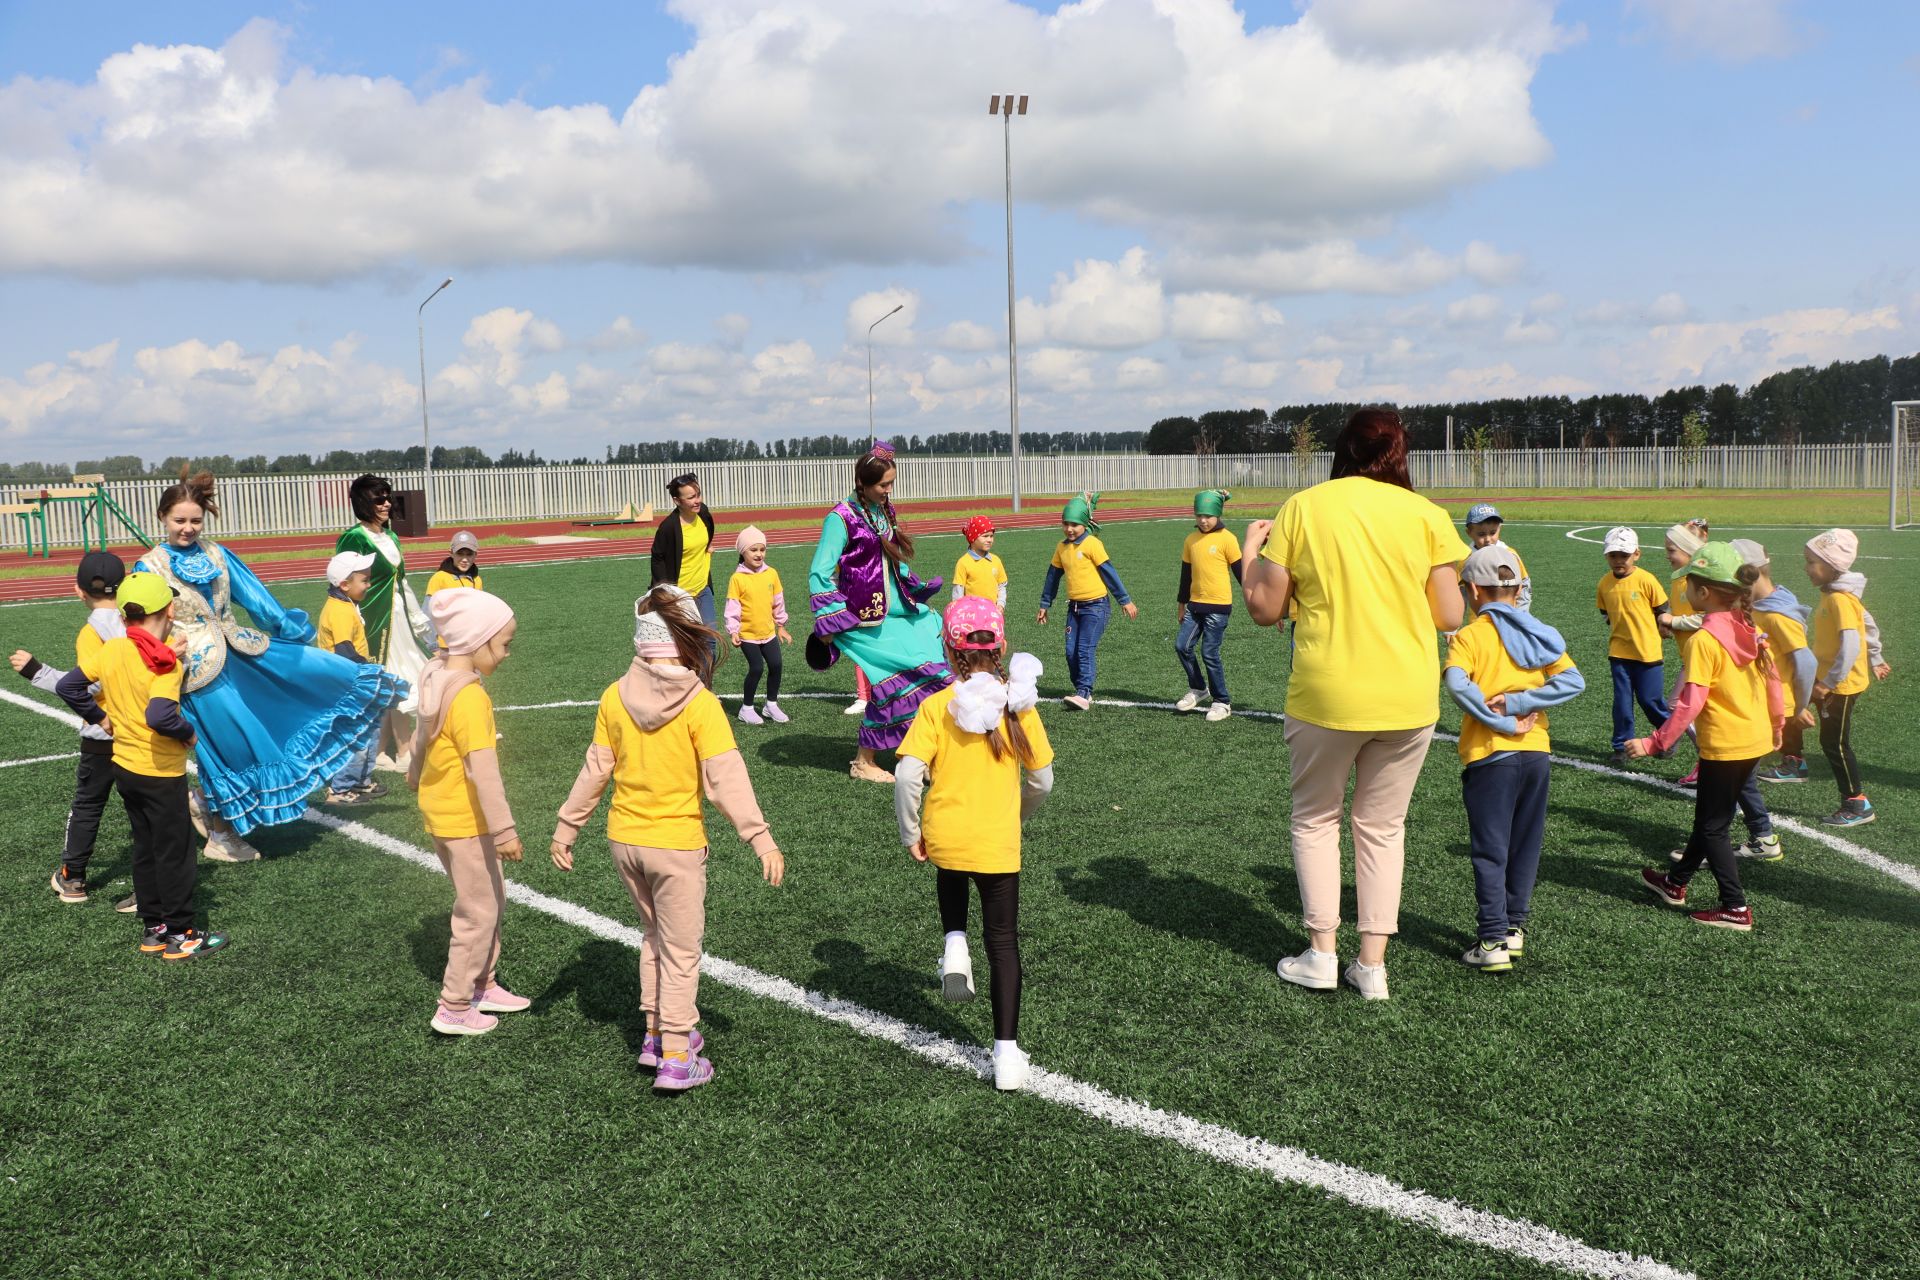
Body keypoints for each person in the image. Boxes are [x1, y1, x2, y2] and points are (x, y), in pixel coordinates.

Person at [1242, 408, 1470, 1002]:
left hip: (1326, 690)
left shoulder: (1305, 506)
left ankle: (1321, 952)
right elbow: (1449, 615)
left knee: (1317, 820)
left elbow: (1265, 609)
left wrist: (1248, 558)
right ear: (1400, 454)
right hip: (1407, 695)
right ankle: (1372, 964)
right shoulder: (1426, 516)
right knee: (1382, 827)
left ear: (1341, 449)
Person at [552, 585, 785, 1093]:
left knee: (654, 938)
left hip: (624, 841)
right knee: (681, 951)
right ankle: (677, 1056)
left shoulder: (614, 695)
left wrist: (567, 827)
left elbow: (596, 769)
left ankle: (656, 1033)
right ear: (684, 639)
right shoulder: (698, 704)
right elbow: (726, 778)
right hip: (674, 845)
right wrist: (760, 838)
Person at [137, 469, 406, 857]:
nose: (189, 528)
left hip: (242, 657)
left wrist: (287, 628)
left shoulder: (217, 553)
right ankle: (221, 832)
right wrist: (162, 657)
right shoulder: (150, 566)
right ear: (163, 518)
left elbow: (256, 598)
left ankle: (208, 808)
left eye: (196, 520)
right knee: (233, 748)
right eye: (180, 520)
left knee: (284, 714)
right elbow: (144, 623)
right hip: (194, 672)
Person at [894, 597, 1053, 1092]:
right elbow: (1043, 781)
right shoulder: (1018, 706)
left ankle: (954, 945)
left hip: (946, 836)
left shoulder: (935, 706)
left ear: (950, 647)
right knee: (1003, 942)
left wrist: (911, 831)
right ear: (1000, 645)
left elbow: (905, 774)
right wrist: (1016, 815)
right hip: (997, 843)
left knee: (951, 867)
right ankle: (1006, 1055)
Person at [56, 573, 229, 960]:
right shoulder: (166, 666)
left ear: (124, 614)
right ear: (169, 610)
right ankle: (182, 934)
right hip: (160, 772)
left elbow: (69, 686)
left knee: (146, 848)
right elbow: (160, 714)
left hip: (124, 767)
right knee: (175, 852)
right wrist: (186, 733)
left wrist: (99, 718)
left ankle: (155, 929)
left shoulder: (114, 649)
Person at [1444, 546, 1584, 972]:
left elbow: (1456, 683)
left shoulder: (1470, 635)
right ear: (1518, 587)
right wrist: (1526, 700)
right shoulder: (1540, 633)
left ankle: (1491, 941)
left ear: (1471, 591)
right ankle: (1513, 930)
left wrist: (1500, 719)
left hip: (1491, 756)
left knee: (1491, 850)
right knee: (1525, 846)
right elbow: (1573, 681)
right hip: (1537, 753)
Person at [1631, 544, 1784, 932]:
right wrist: (1778, 726)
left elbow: (1688, 704)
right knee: (1711, 818)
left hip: (1726, 746)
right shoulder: (1751, 628)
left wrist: (1654, 743)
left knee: (1714, 826)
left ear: (1702, 593)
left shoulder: (1704, 640)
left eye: (1688, 585)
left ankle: (1735, 908)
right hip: (1754, 740)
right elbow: (1774, 683)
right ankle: (1676, 883)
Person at [407, 589, 529, 1037]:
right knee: (478, 911)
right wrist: (505, 831)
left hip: (441, 813)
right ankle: (454, 1005)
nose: (507, 653)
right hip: (466, 820)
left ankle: (484, 982)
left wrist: (416, 773)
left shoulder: (435, 673)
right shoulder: (471, 698)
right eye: (503, 644)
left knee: (490, 900)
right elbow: (484, 773)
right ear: (476, 642)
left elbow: (422, 736)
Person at [806, 441, 953, 783]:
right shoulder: (840, 518)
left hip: (897, 609)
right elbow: (819, 571)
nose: (888, 491)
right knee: (891, 683)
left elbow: (887, 559)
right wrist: (830, 619)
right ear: (863, 483)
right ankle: (864, 762)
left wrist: (912, 587)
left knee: (934, 666)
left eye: (891, 484)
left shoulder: (883, 509)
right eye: (883, 485)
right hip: (859, 618)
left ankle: (918, 755)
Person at [12, 552, 128, 907]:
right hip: (138, 732)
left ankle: (73, 878)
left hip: (101, 735)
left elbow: (88, 687)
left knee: (87, 806)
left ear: (79, 591)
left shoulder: (91, 631)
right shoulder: (135, 622)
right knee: (143, 811)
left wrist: (38, 672)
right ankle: (149, 884)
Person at [336, 474, 436, 768]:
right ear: (364, 503)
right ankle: (398, 751)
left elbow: (400, 582)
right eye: (379, 499)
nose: (387, 504)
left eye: (388, 498)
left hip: (397, 619)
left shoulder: (391, 537)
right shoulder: (353, 538)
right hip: (373, 621)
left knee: (401, 677)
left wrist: (419, 620)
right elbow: (344, 584)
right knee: (392, 679)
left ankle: (386, 751)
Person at [1036, 492, 1138, 711]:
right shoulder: (1061, 548)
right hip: (1074, 608)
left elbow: (1109, 573)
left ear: (1084, 523)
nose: (1069, 529)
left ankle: (1084, 692)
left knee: (1084, 649)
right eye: (1065, 524)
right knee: (1070, 651)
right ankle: (1081, 689)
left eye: (1074, 524)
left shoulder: (1092, 544)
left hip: (1096, 607)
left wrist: (1124, 600)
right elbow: (1052, 577)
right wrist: (1045, 604)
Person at [1802, 528, 1875, 827]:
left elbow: (1852, 644)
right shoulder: (1832, 594)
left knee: (1836, 744)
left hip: (1840, 686)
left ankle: (1857, 803)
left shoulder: (1840, 600)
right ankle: (1792, 762)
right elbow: (1868, 622)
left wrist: (1827, 683)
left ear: (1832, 566)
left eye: (1812, 562)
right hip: (1830, 679)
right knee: (1827, 738)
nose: (1807, 568)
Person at [1595, 526, 1672, 766]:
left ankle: (1668, 736)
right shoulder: (1604, 584)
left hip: (1648, 653)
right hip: (1619, 653)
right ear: (1607, 555)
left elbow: (1663, 609)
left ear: (1636, 554)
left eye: (1624, 555)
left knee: (1651, 701)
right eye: (1613, 555)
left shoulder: (1646, 580)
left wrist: (1664, 626)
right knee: (1622, 703)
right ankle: (1621, 746)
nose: (1619, 560)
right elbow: (1605, 612)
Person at [316, 550, 385, 805]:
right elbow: (344, 651)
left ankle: (360, 780)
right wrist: (367, 672)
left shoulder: (346, 604)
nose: (368, 584)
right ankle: (340, 789)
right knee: (355, 735)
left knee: (370, 731)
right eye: (364, 580)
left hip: (354, 680)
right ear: (344, 584)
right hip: (345, 683)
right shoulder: (340, 611)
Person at [1174, 489, 1241, 722]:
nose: (1203, 520)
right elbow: (1185, 576)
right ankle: (1199, 689)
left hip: (1218, 608)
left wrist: (1258, 602)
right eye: (1199, 515)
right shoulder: (1190, 540)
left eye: (1208, 516)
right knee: (1182, 646)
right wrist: (1182, 604)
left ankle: (1222, 701)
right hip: (1194, 607)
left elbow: (1242, 574)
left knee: (1209, 653)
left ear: (1218, 515)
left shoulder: (1227, 539)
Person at [650, 472, 719, 670]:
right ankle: (686, 692)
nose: (697, 501)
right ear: (676, 500)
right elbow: (657, 559)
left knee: (710, 643)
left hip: (703, 590)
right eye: (691, 498)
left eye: (698, 495)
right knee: (685, 648)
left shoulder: (704, 513)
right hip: (679, 596)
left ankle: (703, 693)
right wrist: (664, 591)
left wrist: (705, 550)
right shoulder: (668, 527)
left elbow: (709, 534)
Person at [724, 525, 792, 725]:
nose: (759, 554)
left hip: (768, 633)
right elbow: (732, 606)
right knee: (756, 668)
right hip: (747, 635)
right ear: (742, 552)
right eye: (753, 550)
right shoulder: (737, 579)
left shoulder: (771, 573)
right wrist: (733, 630)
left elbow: (778, 601)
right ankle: (746, 708)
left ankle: (771, 705)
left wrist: (781, 626)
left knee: (776, 665)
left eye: (762, 549)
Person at [1659, 523, 1708, 787]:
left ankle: (1711, 760)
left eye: (1671, 550)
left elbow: (1706, 617)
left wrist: (1673, 621)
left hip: (1701, 658)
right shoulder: (1679, 578)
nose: (1667, 554)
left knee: (1678, 706)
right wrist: (1667, 624)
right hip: (1690, 657)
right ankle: (1709, 762)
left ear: (1688, 550)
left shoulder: (1695, 580)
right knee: (1698, 713)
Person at [1462, 503, 1530, 612]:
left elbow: (1524, 585)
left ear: (1499, 528)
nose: (1488, 539)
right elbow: (1459, 593)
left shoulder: (1510, 555)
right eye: (1481, 534)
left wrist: (1521, 615)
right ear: (1469, 532)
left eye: (1492, 533)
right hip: (1479, 622)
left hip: (1509, 619)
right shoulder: (1466, 558)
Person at [952, 516, 1008, 606]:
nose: (989, 540)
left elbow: (1002, 586)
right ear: (973, 538)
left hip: (993, 612)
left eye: (991, 536)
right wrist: (960, 609)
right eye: (985, 536)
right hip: (972, 614)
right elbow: (958, 591)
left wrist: (1001, 605)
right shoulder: (963, 562)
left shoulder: (996, 560)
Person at [425, 531, 484, 598]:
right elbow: (428, 607)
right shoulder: (439, 578)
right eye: (460, 554)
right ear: (451, 553)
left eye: (469, 554)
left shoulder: (477, 579)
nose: (464, 559)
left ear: (475, 555)